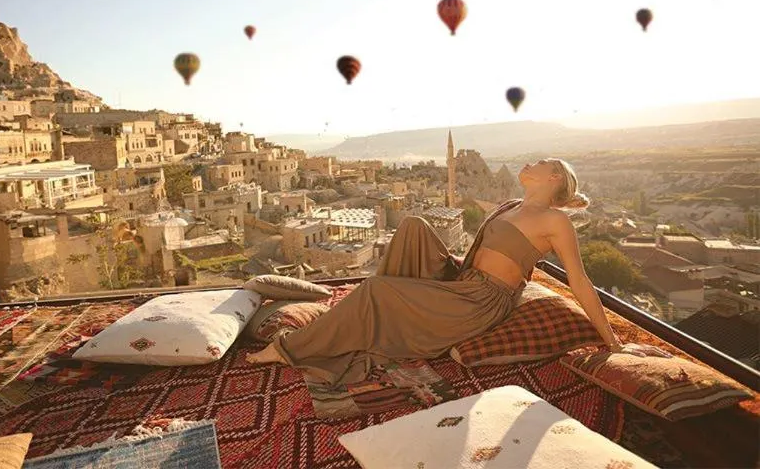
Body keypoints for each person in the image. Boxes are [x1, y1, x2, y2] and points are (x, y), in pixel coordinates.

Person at [245, 158, 671, 386]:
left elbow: (579, 281)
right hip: (463, 279)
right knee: (412, 226)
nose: (528, 163)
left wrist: (610, 339)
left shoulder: (554, 221)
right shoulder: (511, 205)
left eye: (539, 162)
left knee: (376, 289)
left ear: (554, 176)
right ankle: (390, 306)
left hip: (480, 301)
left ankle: (291, 348)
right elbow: (476, 251)